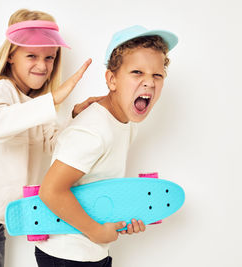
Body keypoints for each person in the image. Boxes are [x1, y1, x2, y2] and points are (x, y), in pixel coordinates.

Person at [0, 8, 101, 267]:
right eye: (32, 56)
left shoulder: (38, 106)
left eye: (49, 57)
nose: (42, 65)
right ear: (12, 55)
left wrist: (74, 115)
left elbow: (54, 145)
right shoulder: (0, 91)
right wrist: (54, 98)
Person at [35, 25, 178, 266]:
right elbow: (51, 190)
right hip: (68, 254)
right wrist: (96, 231)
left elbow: (97, 186)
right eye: (137, 72)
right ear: (112, 80)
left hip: (93, 251)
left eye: (157, 75)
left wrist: (122, 218)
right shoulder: (93, 130)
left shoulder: (126, 121)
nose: (149, 83)